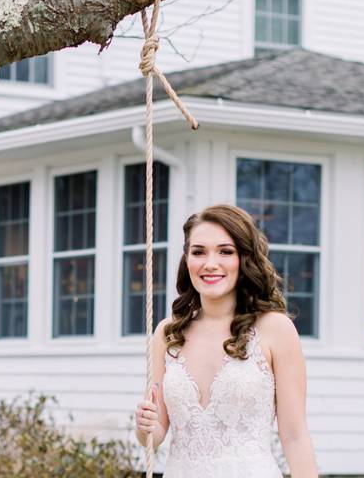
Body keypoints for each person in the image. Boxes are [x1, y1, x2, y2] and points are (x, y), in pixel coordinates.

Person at [134, 204, 319, 477]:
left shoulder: (276, 329)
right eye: (198, 252)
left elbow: (294, 435)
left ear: (244, 259)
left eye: (225, 251)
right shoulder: (167, 333)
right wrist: (143, 425)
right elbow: (156, 434)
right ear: (187, 260)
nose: (210, 263)